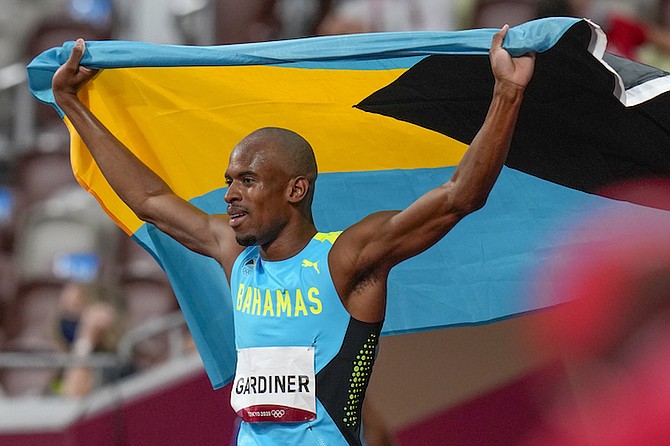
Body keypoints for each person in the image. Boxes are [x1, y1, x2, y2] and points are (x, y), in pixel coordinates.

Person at [51, 25, 535, 445]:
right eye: (229, 182)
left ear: (296, 189)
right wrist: (73, 105)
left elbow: (457, 196)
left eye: (248, 180)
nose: (230, 195)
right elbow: (151, 201)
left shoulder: (347, 258)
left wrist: (507, 93)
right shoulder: (233, 256)